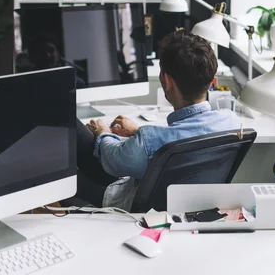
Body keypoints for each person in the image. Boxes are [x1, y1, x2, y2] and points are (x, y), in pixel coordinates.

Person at [74, 30, 241, 207]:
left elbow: (114, 162)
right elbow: (186, 136)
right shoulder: (230, 121)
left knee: (63, 165)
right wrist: (137, 131)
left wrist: (103, 132)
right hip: (191, 207)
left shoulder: (151, 140)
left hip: (128, 205)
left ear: (167, 81)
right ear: (211, 82)